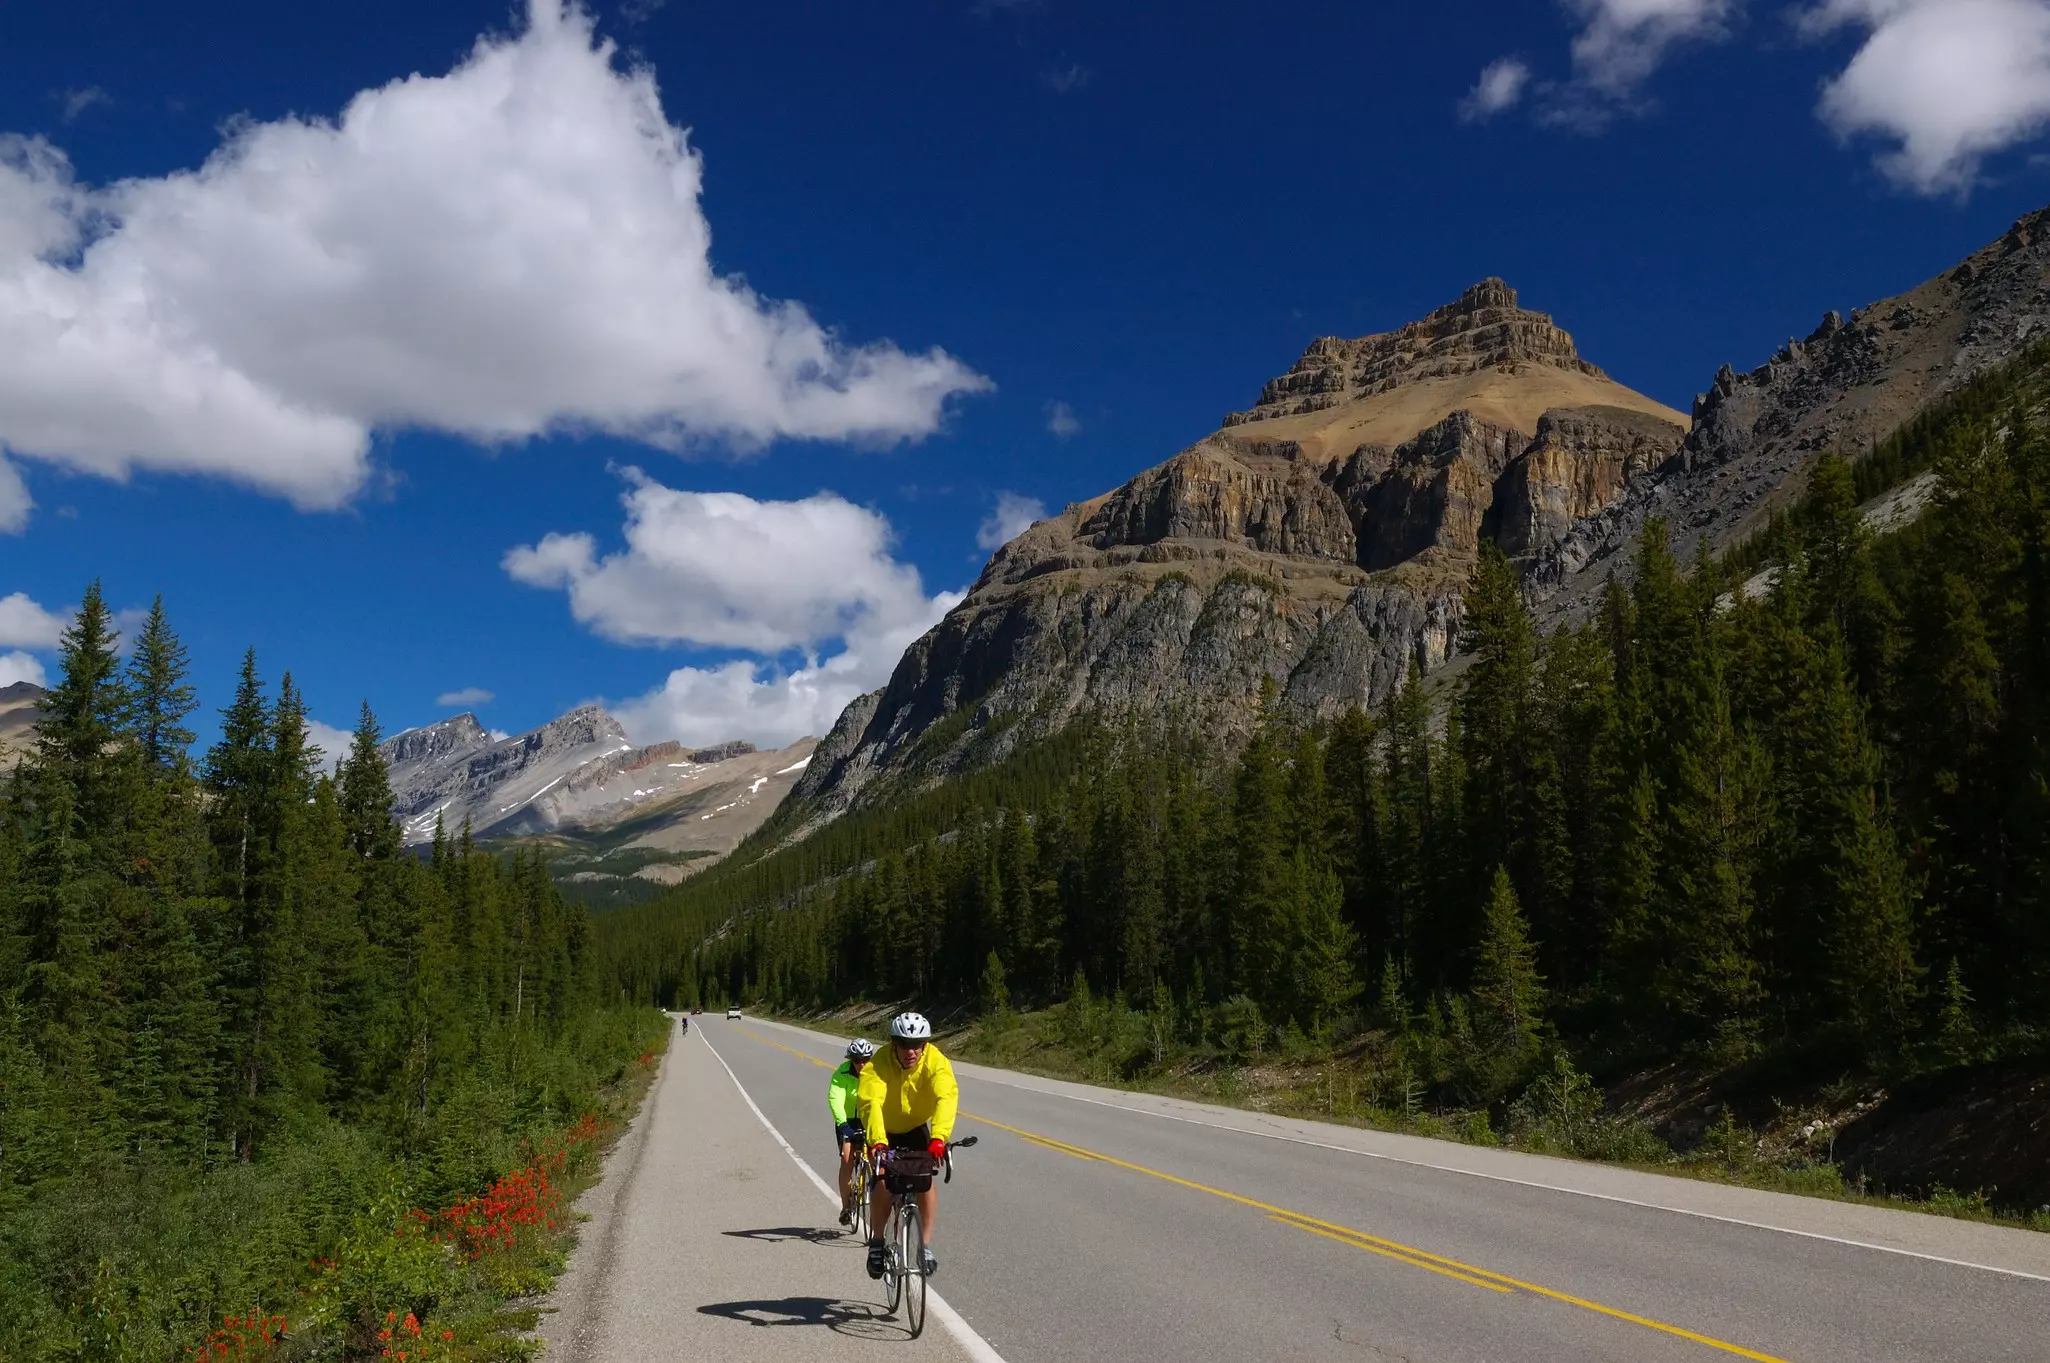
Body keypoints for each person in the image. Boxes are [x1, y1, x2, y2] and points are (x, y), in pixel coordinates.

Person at [857, 1011, 957, 1279]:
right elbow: (870, 1103)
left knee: (925, 1180)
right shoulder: (878, 1064)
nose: (910, 1051)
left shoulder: (936, 1061)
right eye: (904, 1044)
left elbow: (945, 1097)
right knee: (883, 1182)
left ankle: (924, 1246)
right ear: (893, 1043)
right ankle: (877, 1243)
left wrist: (939, 1137)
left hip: (915, 1128)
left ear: (925, 1045)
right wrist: (877, 1141)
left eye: (917, 1045)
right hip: (884, 1129)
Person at [828, 1038, 876, 1225]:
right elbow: (835, 1098)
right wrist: (842, 1124)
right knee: (847, 1160)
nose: (861, 1064)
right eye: (857, 1060)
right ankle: (846, 1207)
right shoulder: (842, 1072)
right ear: (851, 1059)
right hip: (847, 1121)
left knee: (875, 1158)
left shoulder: (876, 1072)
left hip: (869, 1120)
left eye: (865, 1059)